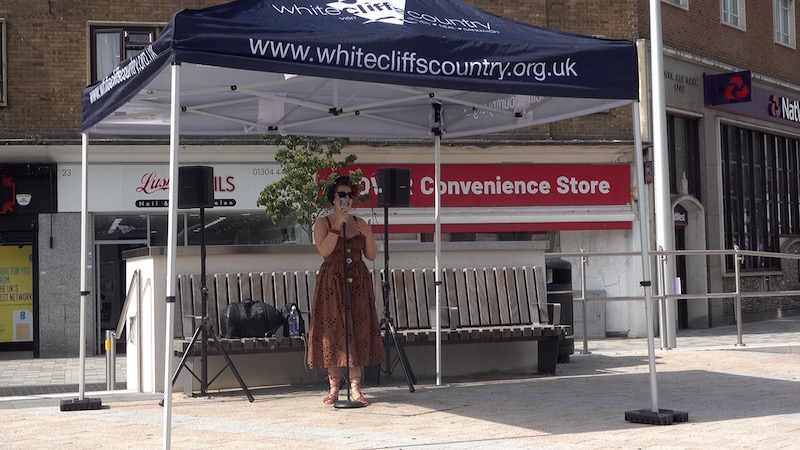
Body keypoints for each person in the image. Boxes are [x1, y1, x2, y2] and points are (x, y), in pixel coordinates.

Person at [307, 175, 384, 406]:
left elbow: (370, 255)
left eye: (350, 195)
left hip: (357, 281)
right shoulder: (323, 222)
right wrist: (338, 224)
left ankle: (356, 388)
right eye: (342, 195)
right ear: (333, 199)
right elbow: (325, 250)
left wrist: (369, 236)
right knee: (335, 332)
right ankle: (333, 388)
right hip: (332, 283)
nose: (347, 199)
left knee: (356, 330)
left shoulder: (359, 222)